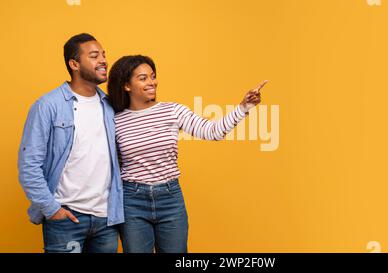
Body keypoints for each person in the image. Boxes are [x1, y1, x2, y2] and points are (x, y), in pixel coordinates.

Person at [108, 55, 267, 253]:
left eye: (153, 76)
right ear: (126, 86)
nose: (152, 82)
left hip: (170, 198)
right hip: (132, 200)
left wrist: (244, 107)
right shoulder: (115, 120)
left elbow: (213, 132)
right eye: (143, 78)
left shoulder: (173, 111)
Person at [18, 33, 124, 253]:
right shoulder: (48, 105)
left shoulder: (111, 105)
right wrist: (52, 209)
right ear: (74, 64)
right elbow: (29, 165)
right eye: (94, 56)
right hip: (66, 218)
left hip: (107, 219)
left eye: (104, 54)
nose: (103, 60)